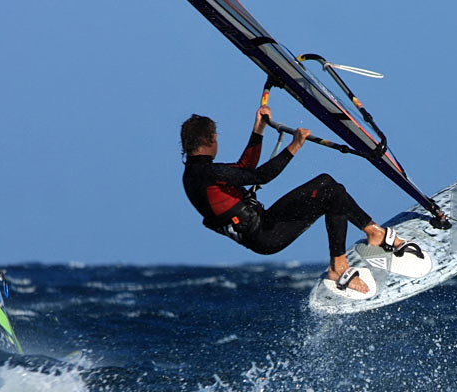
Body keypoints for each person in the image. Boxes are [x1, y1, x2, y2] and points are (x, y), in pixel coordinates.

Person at [180, 105, 421, 295]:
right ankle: (339, 267)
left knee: (327, 183)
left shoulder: (194, 173)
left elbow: (245, 168)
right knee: (331, 193)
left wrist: (259, 130)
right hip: (265, 234)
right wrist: (294, 145)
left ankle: (374, 233)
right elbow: (262, 175)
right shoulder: (208, 173)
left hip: (263, 224)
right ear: (211, 140)